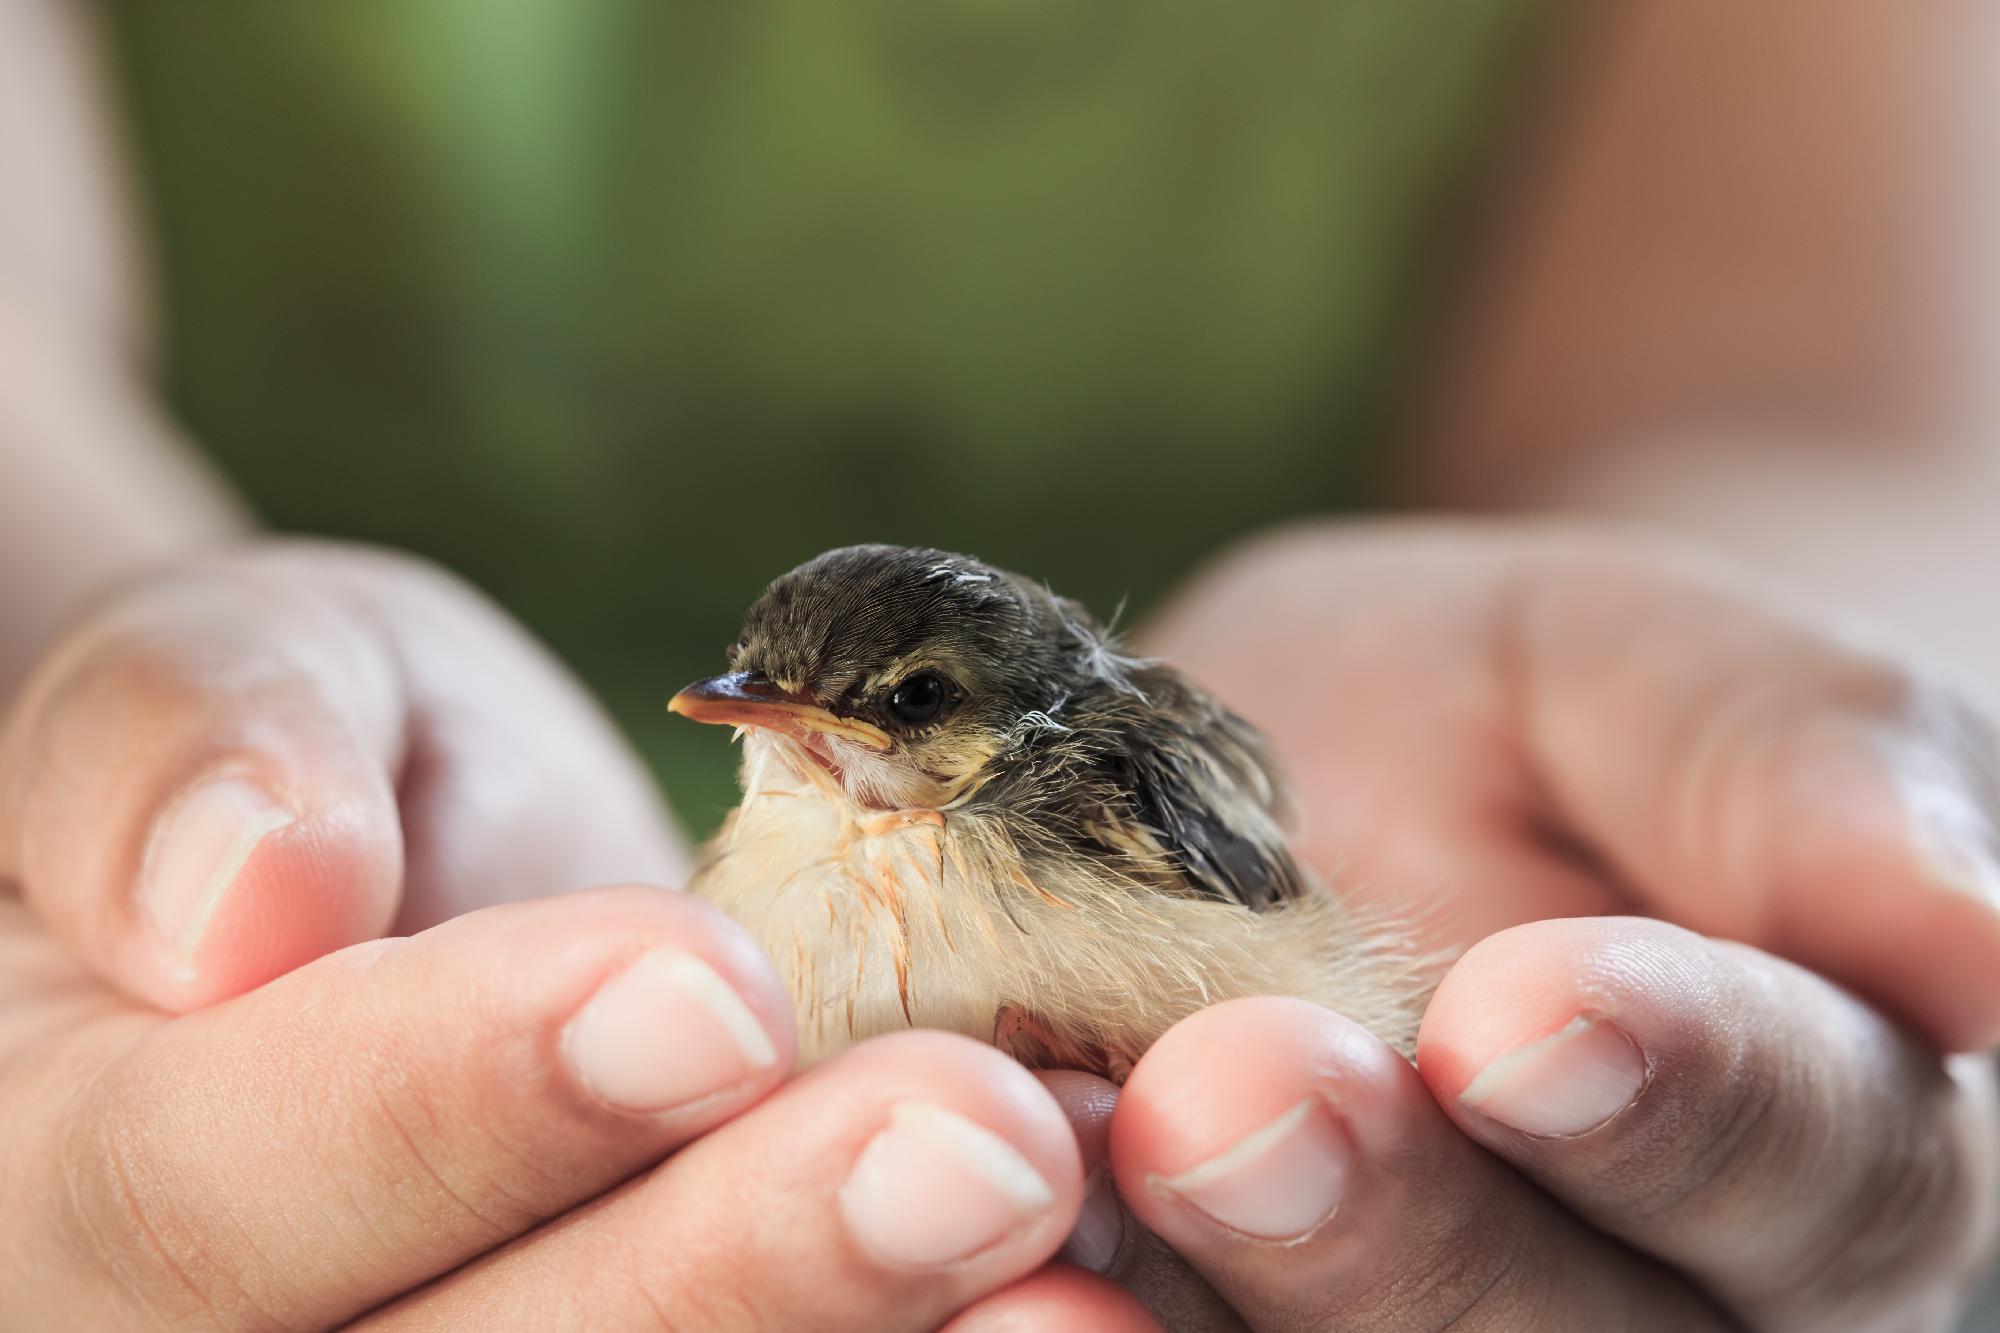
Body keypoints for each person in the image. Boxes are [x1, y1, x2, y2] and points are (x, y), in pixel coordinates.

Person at [4, 2, 1997, 1328]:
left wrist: (1719, 704)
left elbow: (1815, 395)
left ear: (988, 717)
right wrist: (92, 688)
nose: (800, 742)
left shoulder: (1089, 783)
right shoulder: (762, 840)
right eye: (774, 700)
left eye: (893, 710)